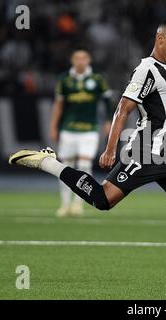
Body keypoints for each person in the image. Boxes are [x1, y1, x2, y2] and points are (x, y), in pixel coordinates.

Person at [9, 20, 166, 289]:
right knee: (103, 200)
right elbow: (123, 109)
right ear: (159, 39)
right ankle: (48, 162)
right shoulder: (146, 70)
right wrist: (110, 147)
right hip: (146, 153)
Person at [50, 49, 113, 217]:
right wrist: (53, 127)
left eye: (84, 58)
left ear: (89, 60)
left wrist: (108, 121)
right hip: (68, 129)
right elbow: (58, 105)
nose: (81, 61)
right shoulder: (65, 79)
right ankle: (64, 204)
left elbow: (108, 101)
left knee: (84, 165)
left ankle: (79, 203)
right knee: (65, 167)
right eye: (77, 58)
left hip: (89, 129)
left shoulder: (97, 79)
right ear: (72, 60)